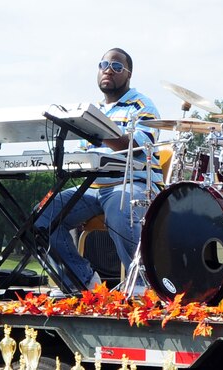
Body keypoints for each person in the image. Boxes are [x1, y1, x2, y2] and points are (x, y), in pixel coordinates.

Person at [35, 48, 162, 295]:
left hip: (132, 184)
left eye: (116, 66)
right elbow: (86, 159)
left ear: (129, 74)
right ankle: (81, 282)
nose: (108, 70)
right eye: (104, 64)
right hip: (92, 188)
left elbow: (138, 147)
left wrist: (99, 130)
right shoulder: (92, 113)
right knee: (40, 217)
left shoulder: (142, 105)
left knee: (121, 205)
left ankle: (143, 285)